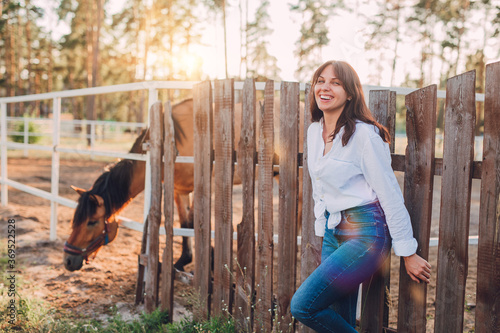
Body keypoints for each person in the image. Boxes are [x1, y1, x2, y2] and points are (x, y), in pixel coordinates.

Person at [290, 60, 431, 332]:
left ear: (351, 93)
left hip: (366, 234)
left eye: (335, 82)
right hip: (334, 230)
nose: (325, 87)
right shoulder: (314, 132)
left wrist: (407, 251)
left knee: (303, 305)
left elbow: (389, 193)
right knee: (339, 319)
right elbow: (318, 184)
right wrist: (323, 224)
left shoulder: (364, 135)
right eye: (320, 80)